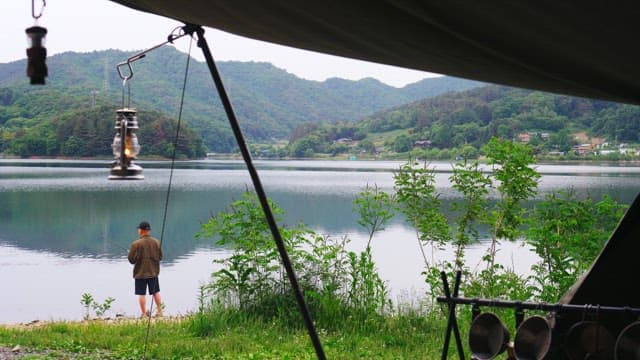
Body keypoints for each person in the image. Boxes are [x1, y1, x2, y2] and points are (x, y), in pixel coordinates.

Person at [128, 221, 163, 318]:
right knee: (155, 292)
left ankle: (143, 314)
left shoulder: (136, 244)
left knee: (141, 293)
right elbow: (160, 257)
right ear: (148, 230)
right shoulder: (156, 242)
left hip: (140, 273)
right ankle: (160, 312)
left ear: (141, 230)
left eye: (139, 229)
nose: (138, 230)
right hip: (153, 272)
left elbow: (131, 260)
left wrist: (133, 254)